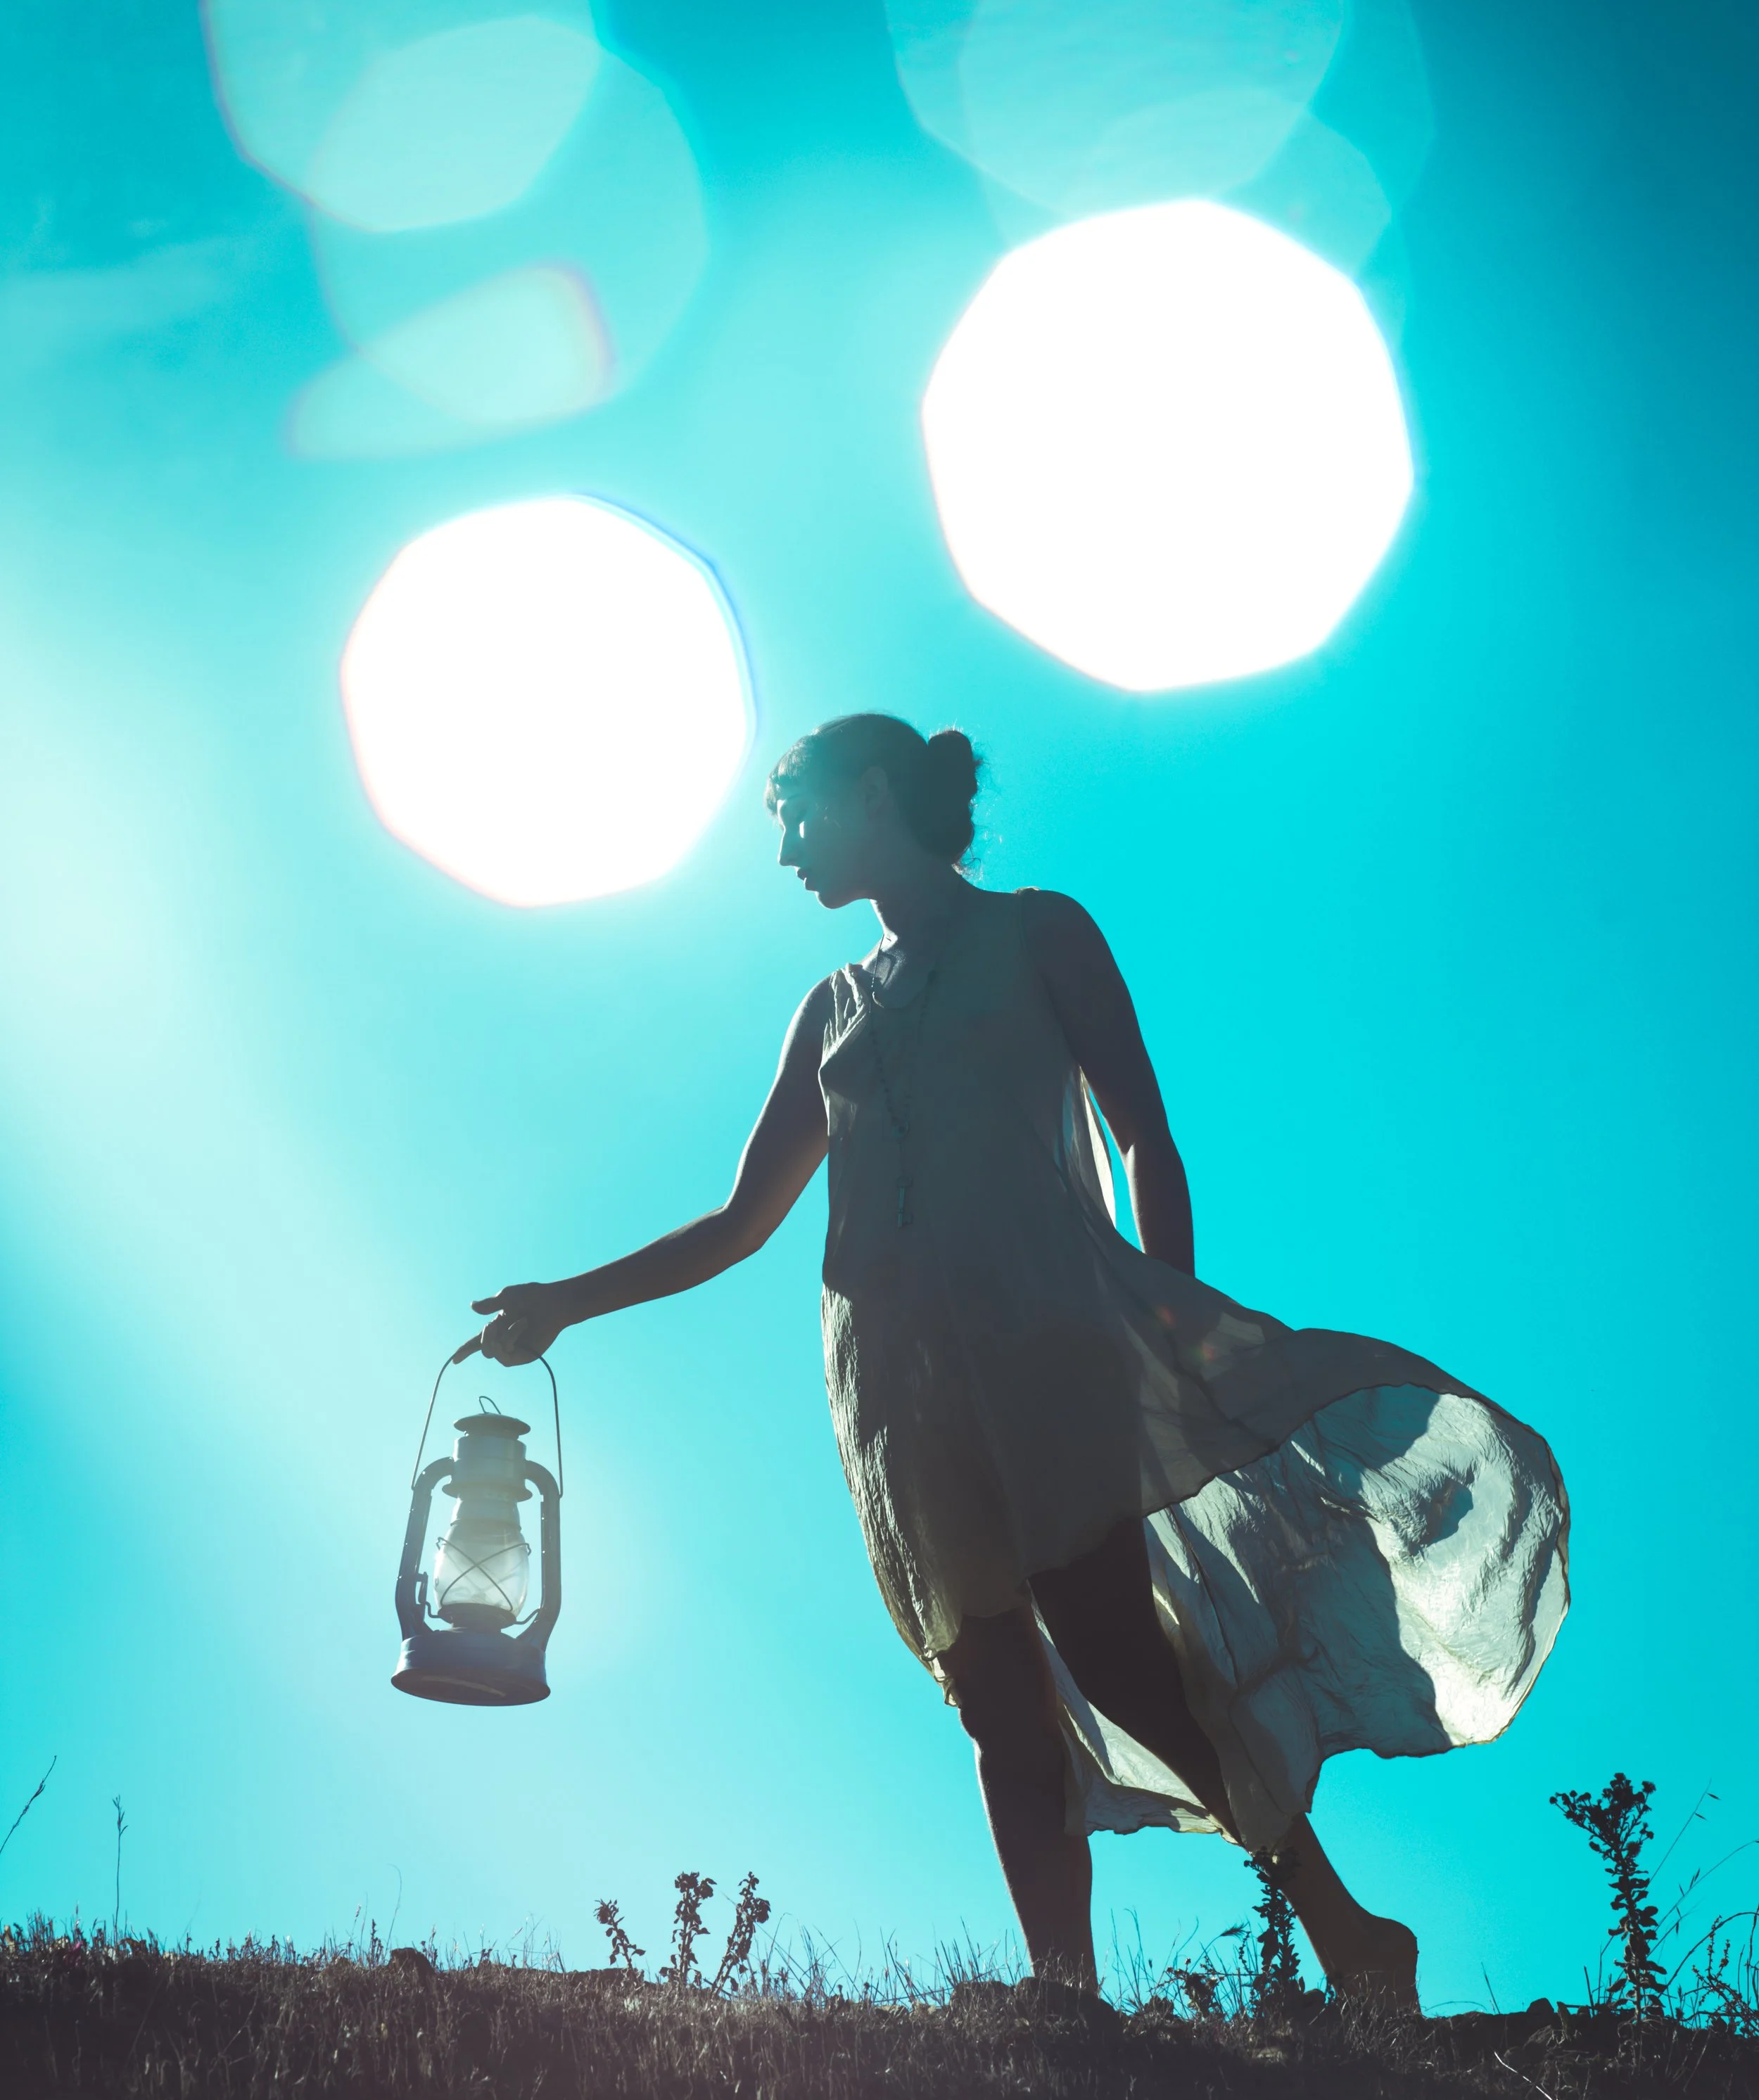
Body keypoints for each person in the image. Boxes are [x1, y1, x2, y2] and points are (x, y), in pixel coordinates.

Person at [463, 714, 1568, 2006]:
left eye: (798, 819)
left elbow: (1143, 1131)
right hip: (897, 1392)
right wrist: (564, 1301)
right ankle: (1067, 1995)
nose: (785, 854)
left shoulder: (1042, 930)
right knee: (990, 1685)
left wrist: (1177, 1303)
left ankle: (1345, 1928)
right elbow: (737, 1222)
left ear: (874, 794)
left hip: (1050, 1341)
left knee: (1110, 1645)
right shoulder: (829, 1008)